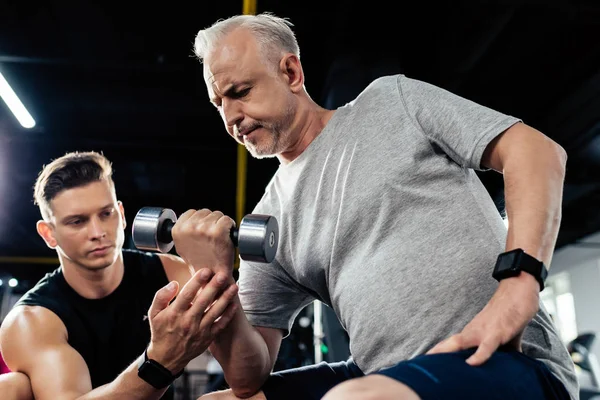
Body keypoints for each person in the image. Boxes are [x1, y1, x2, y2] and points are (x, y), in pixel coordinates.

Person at [169, 12, 581, 400]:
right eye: (218, 103)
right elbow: (248, 376)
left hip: (501, 357)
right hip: (382, 373)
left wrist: (519, 287)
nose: (231, 117)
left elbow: (535, 152)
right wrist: (213, 279)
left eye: (240, 92)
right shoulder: (267, 218)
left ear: (290, 72)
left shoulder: (391, 102)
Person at [0, 151, 239, 400]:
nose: (97, 231)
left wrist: (217, 272)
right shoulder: (33, 319)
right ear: (48, 234)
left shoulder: (172, 273)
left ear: (121, 214)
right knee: (8, 389)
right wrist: (159, 362)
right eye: (77, 221)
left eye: (106, 214)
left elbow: (244, 373)